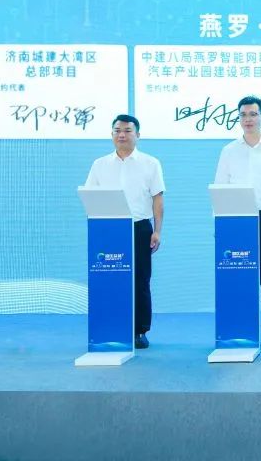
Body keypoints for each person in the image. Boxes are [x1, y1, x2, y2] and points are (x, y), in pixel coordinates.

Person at [214, 95, 261, 351]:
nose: (248, 119)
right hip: (236, 220)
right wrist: (220, 222)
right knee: (237, 276)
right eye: (243, 115)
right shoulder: (229, 150)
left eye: (253, 114)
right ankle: (238, 328)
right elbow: (220, 187)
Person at [85, 114, 165, 350]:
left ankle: (140, 330)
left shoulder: (151, 163)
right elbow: (90, 196)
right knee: (109, 279)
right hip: (109, 229)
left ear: (137, 135)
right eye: (117, 131)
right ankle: (111, 326)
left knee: (140, 280)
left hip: (139, 227)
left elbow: (158, 199)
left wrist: (157, 231)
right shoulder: (99, 165)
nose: (122, 135)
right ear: (112, 134)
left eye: (127, 131)